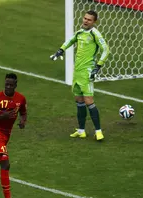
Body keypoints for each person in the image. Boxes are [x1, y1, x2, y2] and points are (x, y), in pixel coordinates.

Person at [50, 10, 109, 141]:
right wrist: (60, 51)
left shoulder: (95, 34)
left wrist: (98, 66)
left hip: (87, 73)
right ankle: (81, 130)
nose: (85, 21)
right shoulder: (80, 32)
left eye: (89, 19)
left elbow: (106, 49)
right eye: (85, 18)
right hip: (77, 73)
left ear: (94, 22)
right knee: (79, 101)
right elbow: (70, 41)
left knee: (89, 102)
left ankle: (98, 131)